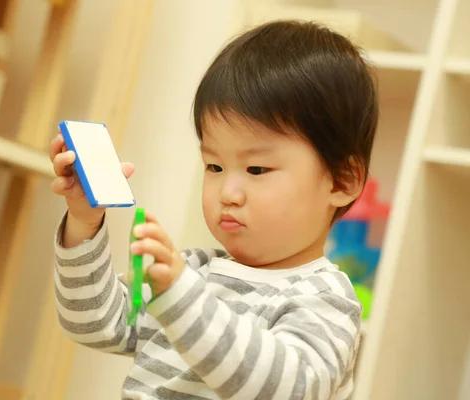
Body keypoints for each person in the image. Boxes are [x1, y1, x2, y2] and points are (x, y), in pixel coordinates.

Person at [49, 19, 378, 400]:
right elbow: (93, 323)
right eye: (214, 167)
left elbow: (289, 388)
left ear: (341, 181)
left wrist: (180, 297)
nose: (228, 192)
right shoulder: (193, 272)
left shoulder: (324, 297)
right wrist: (84, 222)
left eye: (257, 169)